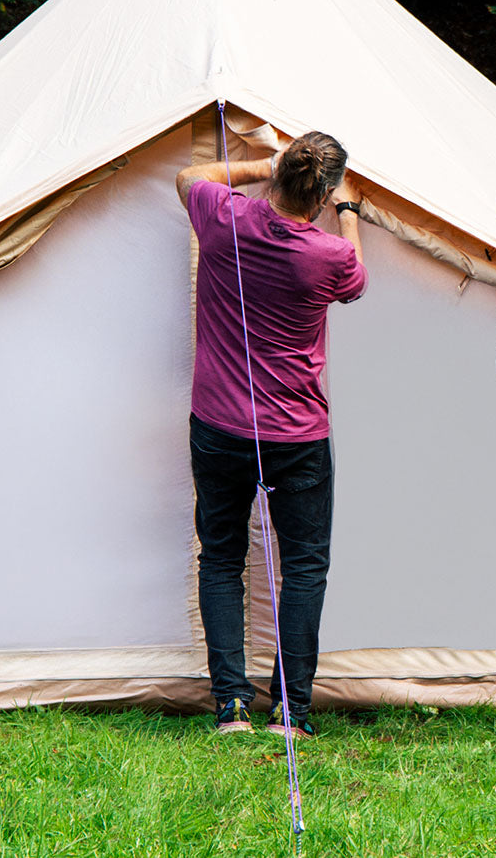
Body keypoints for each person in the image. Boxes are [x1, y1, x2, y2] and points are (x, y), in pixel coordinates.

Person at [176, 131, 366, 737]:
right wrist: (350, 212)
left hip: (219, 424)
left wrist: (261, 163)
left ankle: (232, 707)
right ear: (323, 194)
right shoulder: (328, 253)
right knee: (304, 567)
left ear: (281, 174)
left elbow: (188, 177)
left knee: (223, 560)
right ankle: (293, 710)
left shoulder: (224, 216)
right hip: (296, 432)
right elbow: (357, 276)